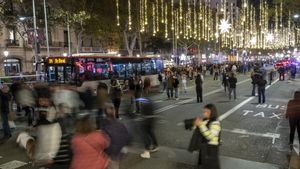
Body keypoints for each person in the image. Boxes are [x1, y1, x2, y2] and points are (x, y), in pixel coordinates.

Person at [191, 104, 221, 169]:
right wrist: (195, 123)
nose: (204, 113)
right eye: (203, 111)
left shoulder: (215, 123)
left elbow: (210, 136)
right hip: (204, 147)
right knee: (203, 165)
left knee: (210, 166)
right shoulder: (206, 120)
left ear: (212, 112)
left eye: (206, 112)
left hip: (211, 149)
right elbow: (199, 128)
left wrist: (201, 125)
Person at [102, 103, 130, 169]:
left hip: (109, 152)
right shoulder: (120, 124)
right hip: (118, 152)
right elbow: (126, 137)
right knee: (115, 165)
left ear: (105, 113)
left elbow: (103, 140)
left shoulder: (104, 125)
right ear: (114, 112)